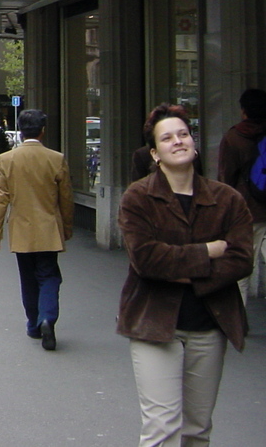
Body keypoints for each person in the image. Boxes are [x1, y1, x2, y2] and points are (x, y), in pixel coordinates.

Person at [118, 103, 252, 446]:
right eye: (167, 138)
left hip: (209, 324)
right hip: (154, 324)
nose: (177, 141)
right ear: (155, 152)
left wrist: (178, 266)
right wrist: (208, 251)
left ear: (193, 142)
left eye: (183, 134)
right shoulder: (138, 198)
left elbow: (240, 260)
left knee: (197, 429)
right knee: (162, 428)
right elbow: (147, 260)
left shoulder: (228, 199)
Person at [0, 108, 73, 351]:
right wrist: (66, 227)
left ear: (21, 131)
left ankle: (34, 325)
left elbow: (0, 199)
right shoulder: (56, 158)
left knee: (27, 278)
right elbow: (65, 197)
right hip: (48, 228)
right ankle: (48, 317)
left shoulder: (7, 159)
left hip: (21, 228)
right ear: (43, 131)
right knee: (49, 276)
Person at [217, 87, 266, 302]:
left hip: (247, 210)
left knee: (242, 265)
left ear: (244, 111)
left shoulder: (234, 137)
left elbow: (225, 178)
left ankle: (239, 320)